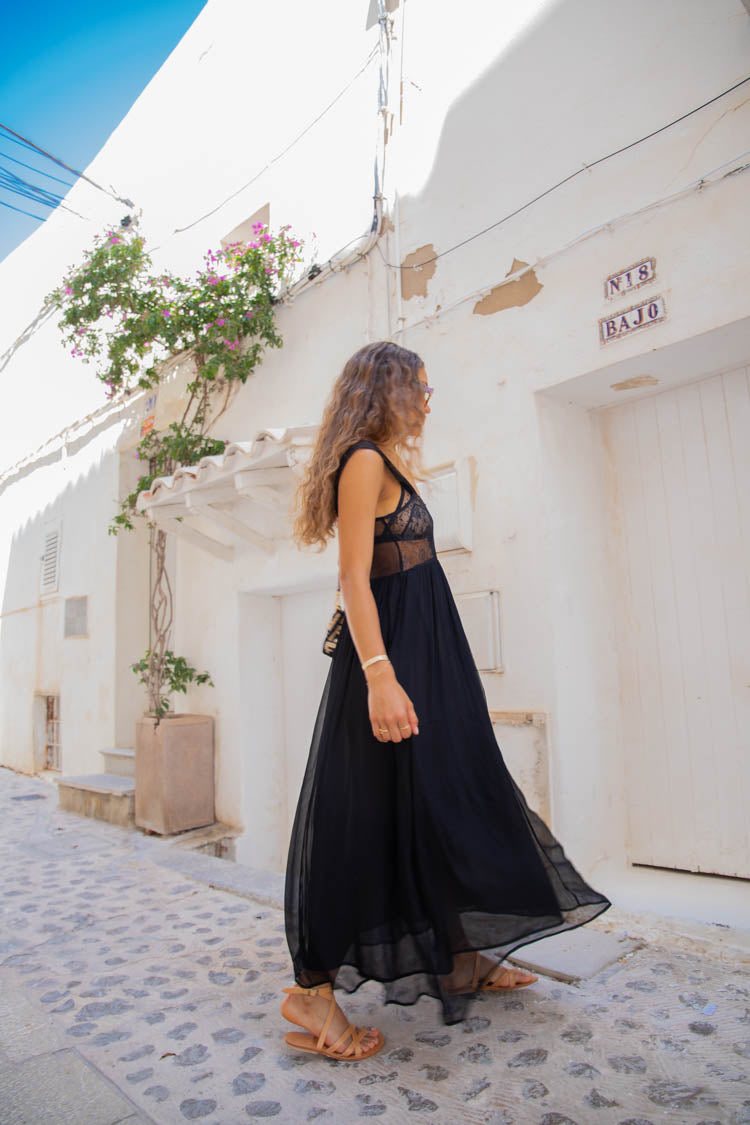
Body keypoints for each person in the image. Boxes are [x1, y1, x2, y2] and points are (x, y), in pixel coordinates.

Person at [281, 341, 611, 1060]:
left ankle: (461, 953)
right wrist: (380, 675)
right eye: (421, 388)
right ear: (388, 389)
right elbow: (354, 578)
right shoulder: (364, 461)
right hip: (393, 663)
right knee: (365, 813)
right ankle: (312, 992)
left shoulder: (388, 462)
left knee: (448, 795)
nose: (429, 401)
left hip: (428, 659)